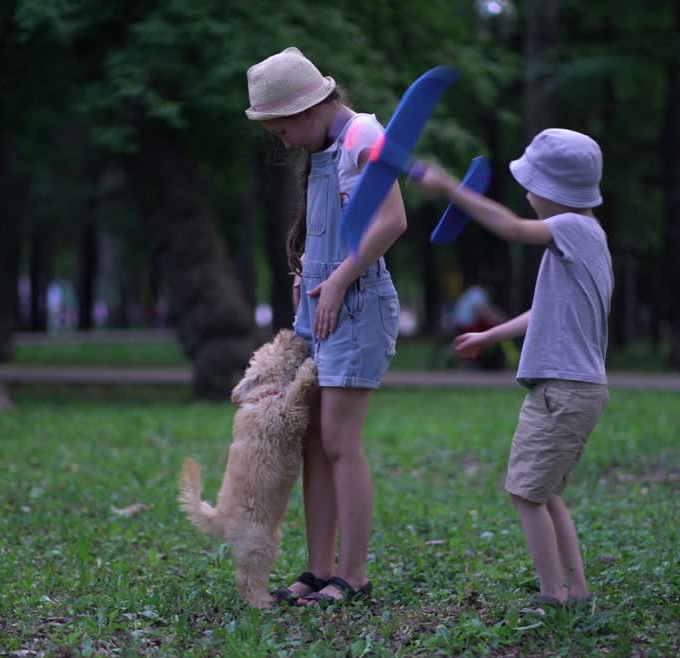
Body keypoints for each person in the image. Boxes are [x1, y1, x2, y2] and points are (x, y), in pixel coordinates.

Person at [412, 129, 613, 614]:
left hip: (561, 390)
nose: (526, 194)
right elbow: (543, 311)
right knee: (545, 494)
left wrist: (451, 189)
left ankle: (553, 596)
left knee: (525, 494)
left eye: (532, 186)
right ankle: (575, 589)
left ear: (557, 191)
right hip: (575, 388)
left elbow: (511, 229)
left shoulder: (573, 229)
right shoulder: (586, 243)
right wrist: (490, 335)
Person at [246, 47, 406, 606]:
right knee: (314, 442)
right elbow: (328, 227)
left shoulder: (362, 134)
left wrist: (336, 280)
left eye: (282, 129)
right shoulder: (322, 148)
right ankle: (318, 571)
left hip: (356, 305)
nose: (283, 141)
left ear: (308, 110)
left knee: (340, 441)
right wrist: (306, 274)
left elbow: (392, 219)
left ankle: (354, 573)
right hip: (319, 306)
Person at [451, 270, 511, 370]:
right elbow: (485, 312)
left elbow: (489, 310)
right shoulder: (478, 293)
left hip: (460, 323)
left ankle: (481, 360)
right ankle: (481, 361)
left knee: (488, 330)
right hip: (467, 325)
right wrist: (501, 321)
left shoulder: (473, 291)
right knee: (491, 333)